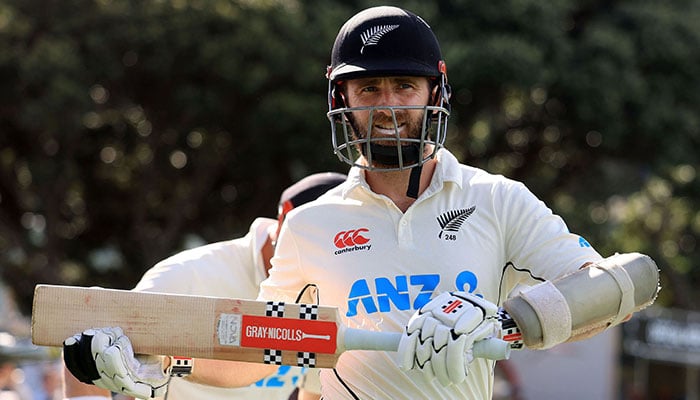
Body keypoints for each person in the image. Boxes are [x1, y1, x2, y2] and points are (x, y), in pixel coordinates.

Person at [62, 6, 657, 399]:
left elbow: (616, 290)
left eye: (405, 85)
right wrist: (160, 362)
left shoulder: (496, 199)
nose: (390, 104)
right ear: (341, 97)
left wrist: (502, 320)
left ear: (436, 90)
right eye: (369, 87)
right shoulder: (313, 226)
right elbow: (269, 355)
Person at [62, 172, 346, 400]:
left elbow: (313, 391)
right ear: (285, 218)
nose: (323, 254)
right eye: (316, 237)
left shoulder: (329, 291)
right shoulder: (187, 276)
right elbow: (88, 335)